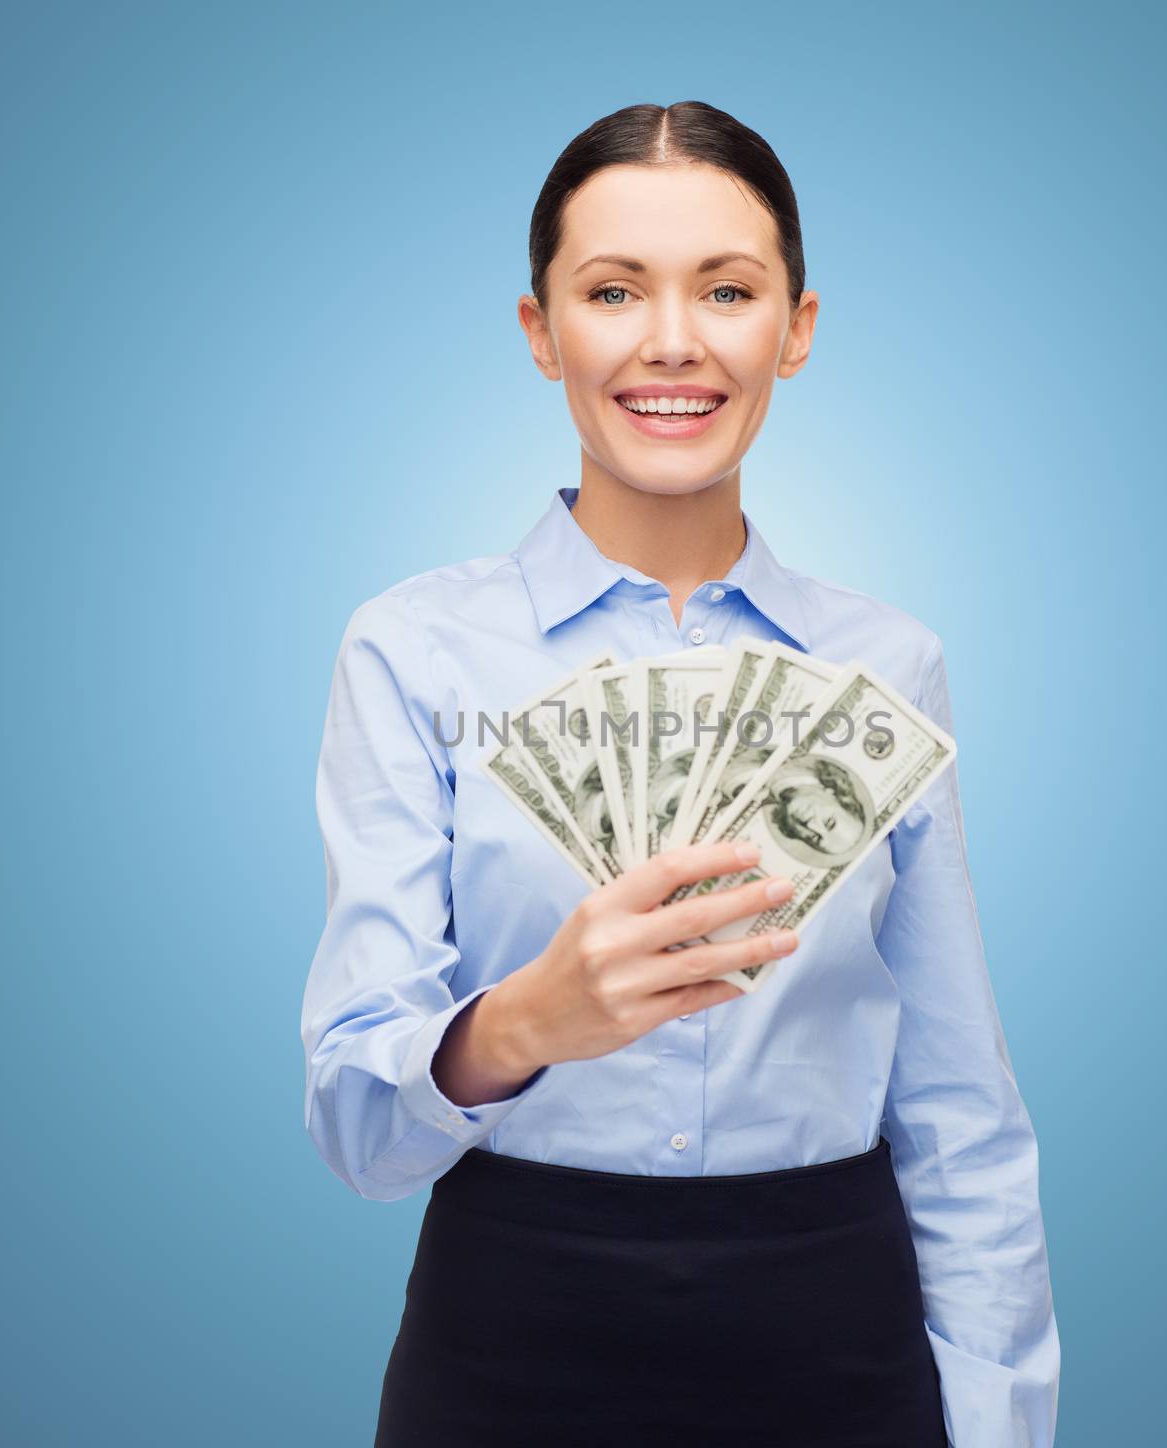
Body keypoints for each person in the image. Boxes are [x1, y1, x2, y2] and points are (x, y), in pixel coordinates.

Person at [300, 100, 1060, 1447]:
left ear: (796, 328)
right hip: (509, 1329)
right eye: (611, 290)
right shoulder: (412, 651)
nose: (672, 340)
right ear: (541, 332)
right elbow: (363, 1135)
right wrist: (527, 1021)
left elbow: (957, 1110)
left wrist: (999, 1422)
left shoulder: (889, 666)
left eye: (727, 289)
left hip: (838, 1328)